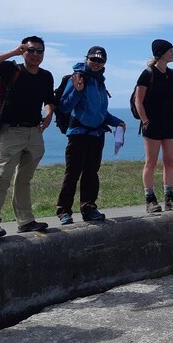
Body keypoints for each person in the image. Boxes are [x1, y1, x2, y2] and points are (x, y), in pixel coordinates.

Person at [0, 36, 55, 240]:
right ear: (23, 51)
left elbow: (49, 100)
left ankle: (25, 221)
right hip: (11, 132)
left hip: (35, 133)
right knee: (0, 177)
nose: (35, 55)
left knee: (24, 179)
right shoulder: (11, 70)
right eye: (30, 50)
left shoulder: (46, 76)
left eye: (39, 51)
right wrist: (13, 52)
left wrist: (48, 115)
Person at [55, 46, 126, 224]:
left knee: (91, 173)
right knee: (72, 173)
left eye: (100, 60)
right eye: (93, 59)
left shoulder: (99, 81)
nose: (96, 63)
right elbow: (64, 106)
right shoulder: (78, 78)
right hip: (78, 133)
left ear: (105, 64)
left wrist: (117, 122)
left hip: (96, 134)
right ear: (86, 58)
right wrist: (77, 91)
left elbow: (100, 113)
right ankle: (63, 211)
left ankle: (88, 208)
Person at [134, 39, 173, 213]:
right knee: (151, 162)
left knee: (169, 161)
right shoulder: (147, 74)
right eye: (171, 51)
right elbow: (138, 101)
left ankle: (169, 197)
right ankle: (150, 199)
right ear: (161, 53)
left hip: (170, 123)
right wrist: (146, 121)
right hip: (153, 124)